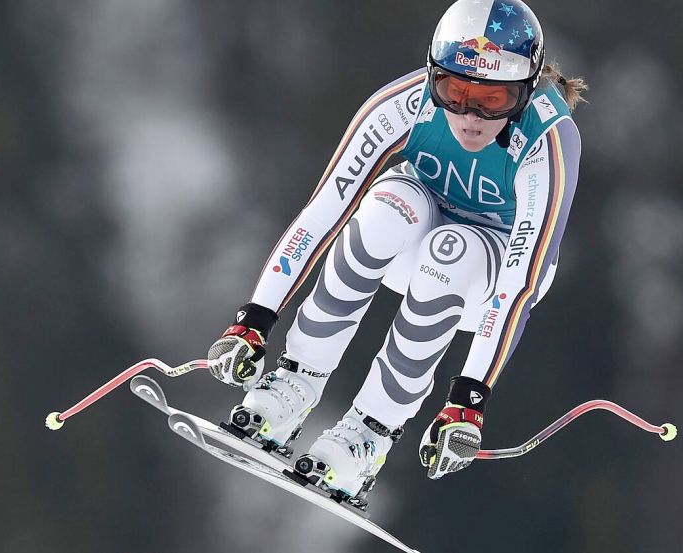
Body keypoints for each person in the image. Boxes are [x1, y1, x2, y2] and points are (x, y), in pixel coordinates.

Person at [206, 0, 584, 506]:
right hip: (416, 226)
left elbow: (519, 284)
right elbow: (325, 211)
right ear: (434, 75)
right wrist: (253, 320)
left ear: (525, 89)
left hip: (492, 272)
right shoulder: (407, 102)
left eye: (492, 100)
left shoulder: (547, 140)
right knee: (386, 206)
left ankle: (369, 433)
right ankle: (292, 386)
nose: (470, 117)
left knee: (451, 252)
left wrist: (469, 399)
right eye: (455, 91)